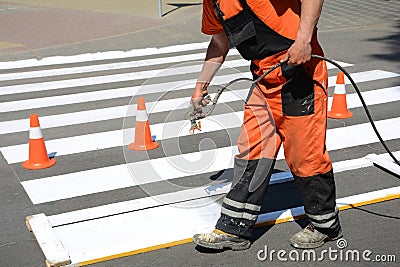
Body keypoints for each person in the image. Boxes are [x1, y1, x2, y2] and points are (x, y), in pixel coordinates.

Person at [191, 0, 343, 250]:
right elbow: (219, 44)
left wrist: (304, 39)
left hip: (300, 74)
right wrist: (201, 87)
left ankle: (325, 224)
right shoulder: (215, 3)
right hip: (264, 82)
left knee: (304, 155)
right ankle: (233, 229)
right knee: (251, 151)